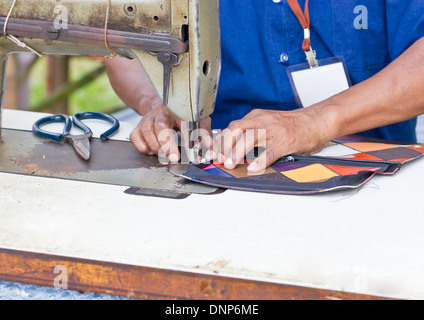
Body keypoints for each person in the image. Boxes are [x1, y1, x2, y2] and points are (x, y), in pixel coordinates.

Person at [105, 0, 424, 173]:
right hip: (220, 160)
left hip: (368, 168)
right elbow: (123, 44)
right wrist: (158, 101)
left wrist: (315, 121)